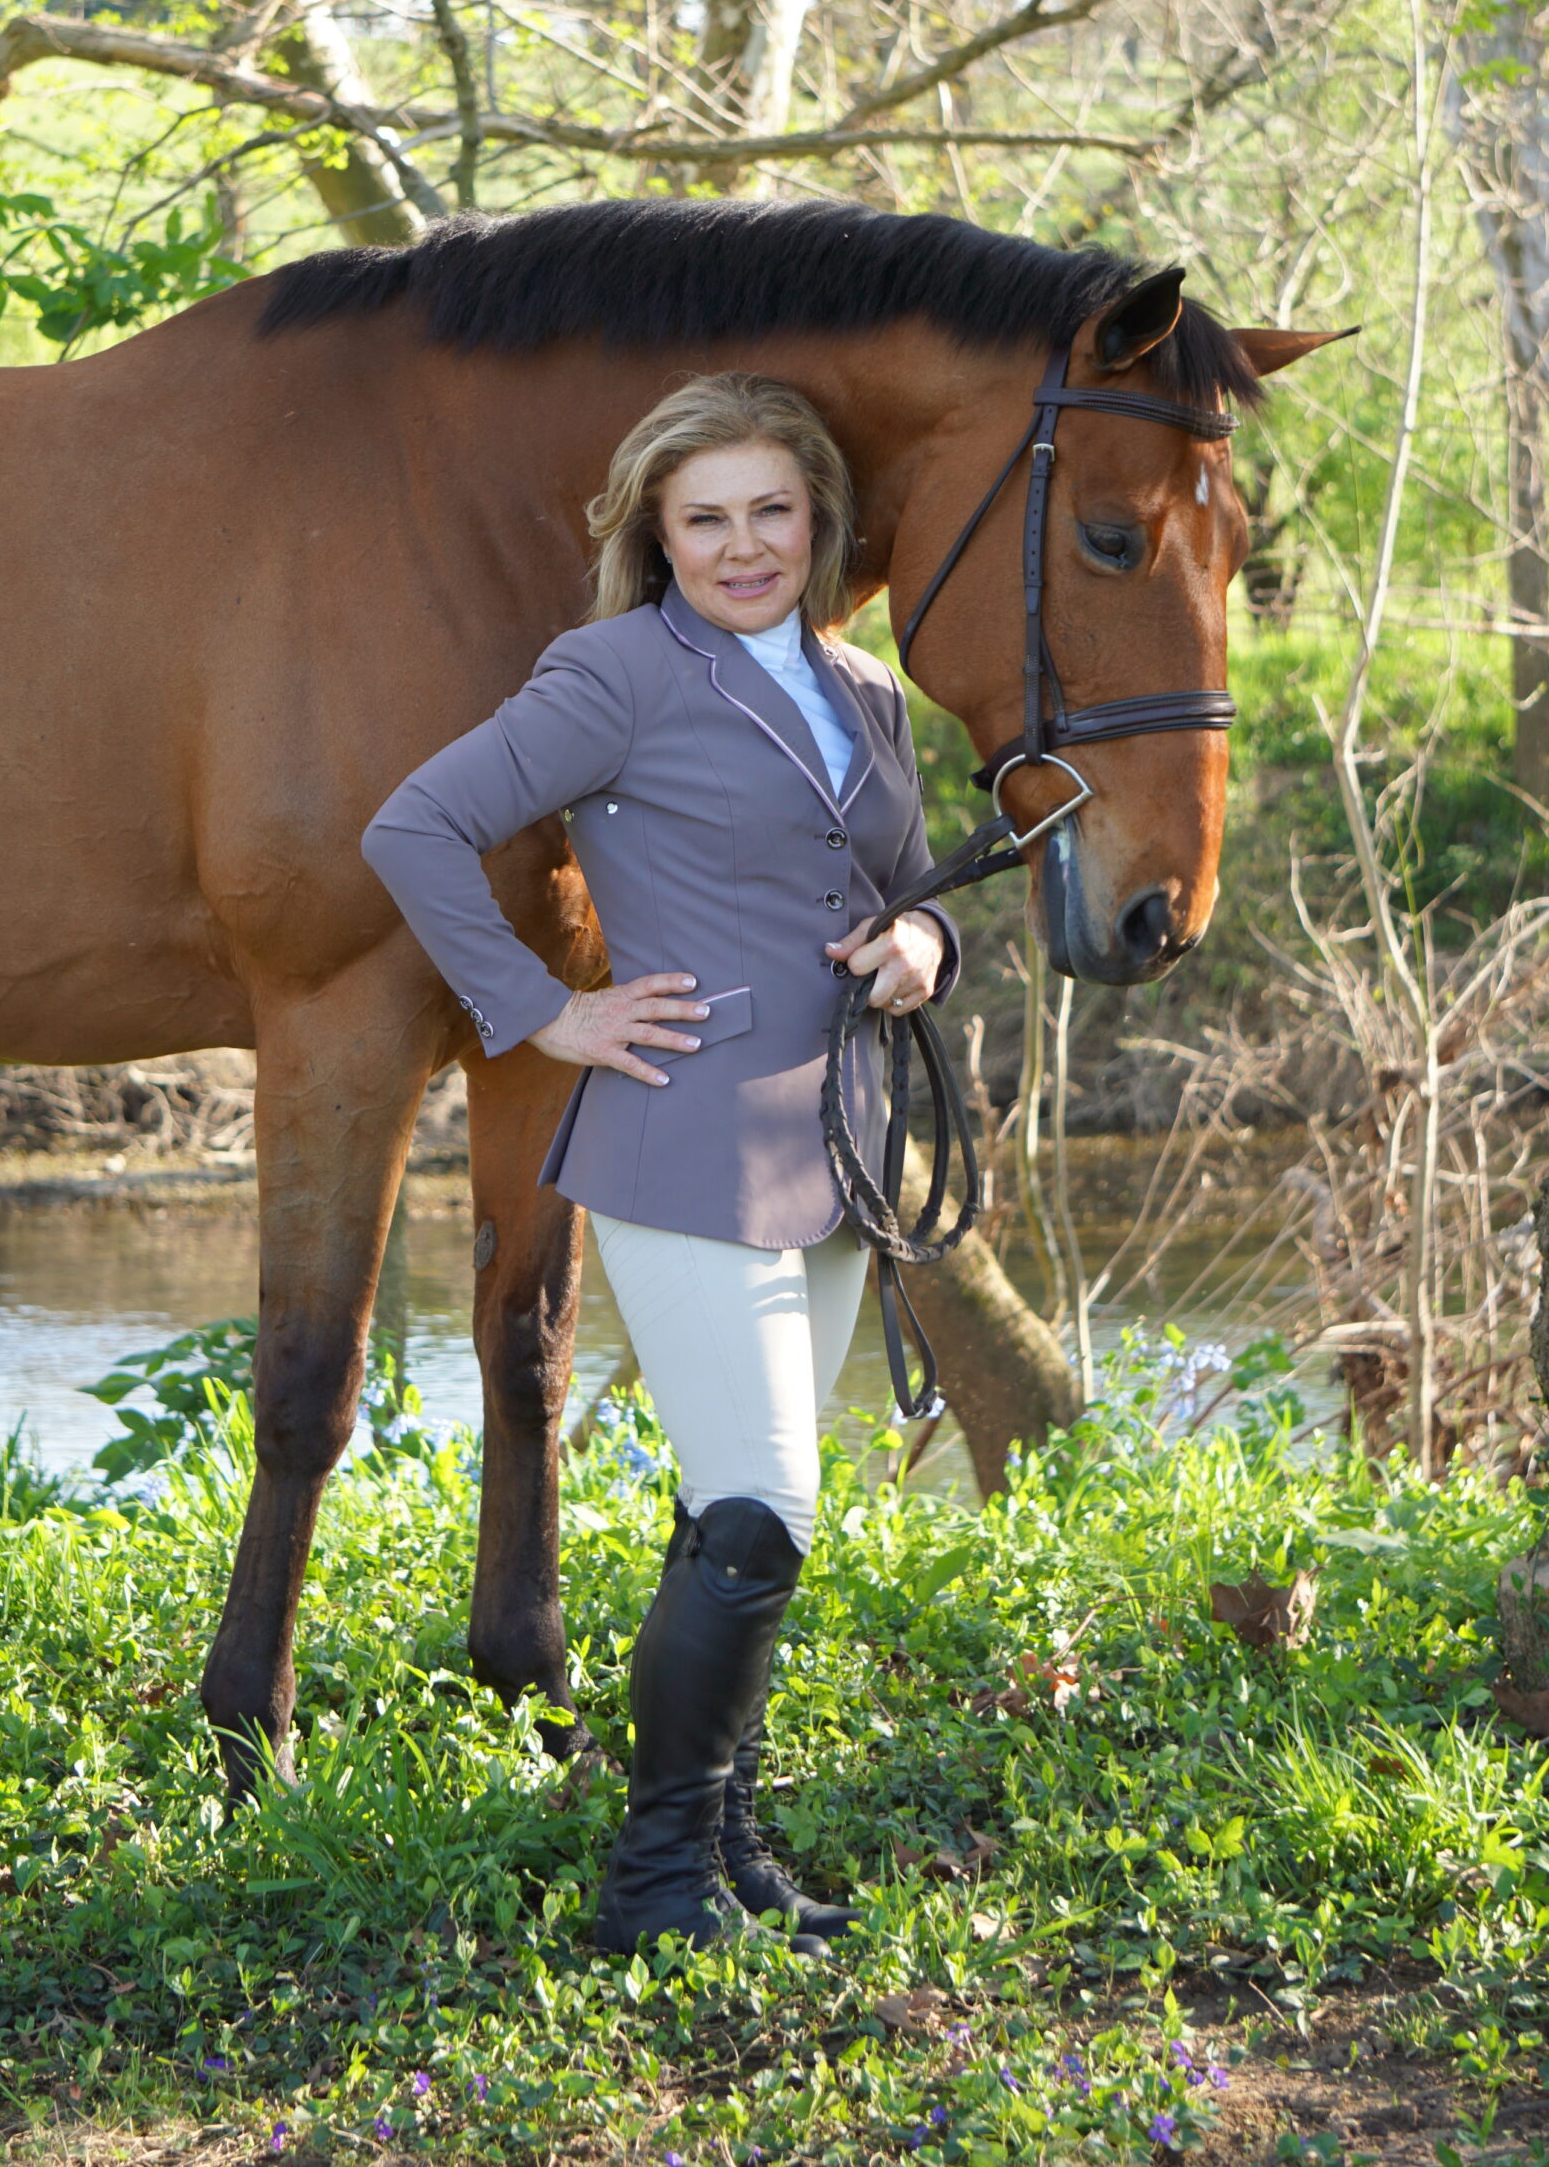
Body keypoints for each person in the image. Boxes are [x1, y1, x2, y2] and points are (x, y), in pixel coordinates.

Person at [362, 373, 957, 1959]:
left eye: (771, 511)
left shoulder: (864, 686)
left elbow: (909, 885)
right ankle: (651, 1888)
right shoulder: (614, 672)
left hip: (840, 1139)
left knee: (736, 1508)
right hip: (685, 1134)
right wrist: (545, 1012)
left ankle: (727, 1851)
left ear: (818, 518)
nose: (742, 546)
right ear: (656, 533)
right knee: (761, 1512)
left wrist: (923, 941)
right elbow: (413, 826)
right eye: (706, 519)